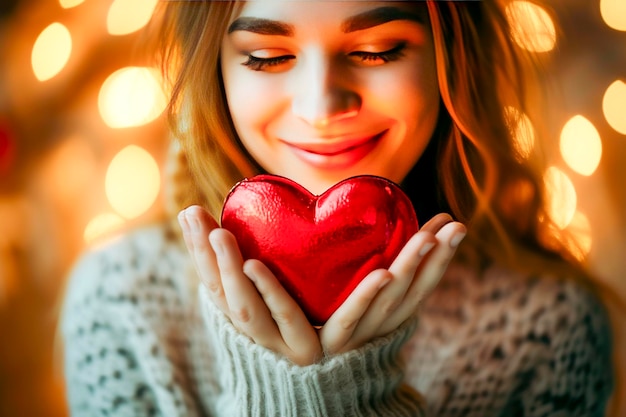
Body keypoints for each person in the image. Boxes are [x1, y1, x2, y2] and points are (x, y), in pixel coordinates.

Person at [61, 1, 614, 416]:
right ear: (216, 71)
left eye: (377, 51)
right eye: (268, 56)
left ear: (453, 56)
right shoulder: (123, 303)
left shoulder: (548, 327)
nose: (322, 107)